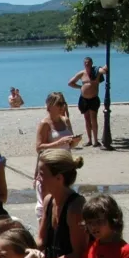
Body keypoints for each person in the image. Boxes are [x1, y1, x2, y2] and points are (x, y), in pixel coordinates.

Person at [35, 92, 81, 220]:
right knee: (46, 205)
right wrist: (58, 143)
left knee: (64, 201)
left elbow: (69, 145)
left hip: (65, 165)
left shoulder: (65, 121)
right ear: (50, 106)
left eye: (64, 103)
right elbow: (39, 148)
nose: (62, 106)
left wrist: (74, 142)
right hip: (51, 167)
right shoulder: (45, 124)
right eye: (59, 104)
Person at [68, 56, 107, 148]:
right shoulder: (81, 73)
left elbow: (104, 71)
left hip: (93, 99)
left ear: (92, 63)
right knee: (87, 119)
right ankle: (89, 140)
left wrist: (105, 67)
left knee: (94, 119)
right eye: (85, 62)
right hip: (84, 99)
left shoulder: (96, 71)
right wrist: (80, 87)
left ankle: (96, 141)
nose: (87, 64)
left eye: (88, 62)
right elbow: (70, 83)